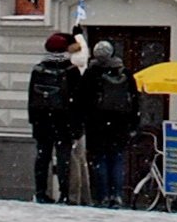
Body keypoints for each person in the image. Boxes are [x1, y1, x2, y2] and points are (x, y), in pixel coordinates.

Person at [80, 40, 143, 208]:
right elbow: (135, 101)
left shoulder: (91, 73)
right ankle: (117, 195)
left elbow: (82, 100)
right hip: (120, 124)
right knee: (117, 159)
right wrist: (134, 123)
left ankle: (103, 196)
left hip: (97, 125)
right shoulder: (125, 72)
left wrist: (84, 122)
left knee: (100, 160)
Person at [24, 32, 83, 202]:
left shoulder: (38, 69)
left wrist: (33, 120)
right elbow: (77, 101)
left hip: (42, 120)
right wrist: (77, 126)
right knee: (64, 157)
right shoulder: (71, 71)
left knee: (42, 156)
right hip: (63, 120)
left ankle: (41, 192)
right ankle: (64, 193)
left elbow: (31, 98)